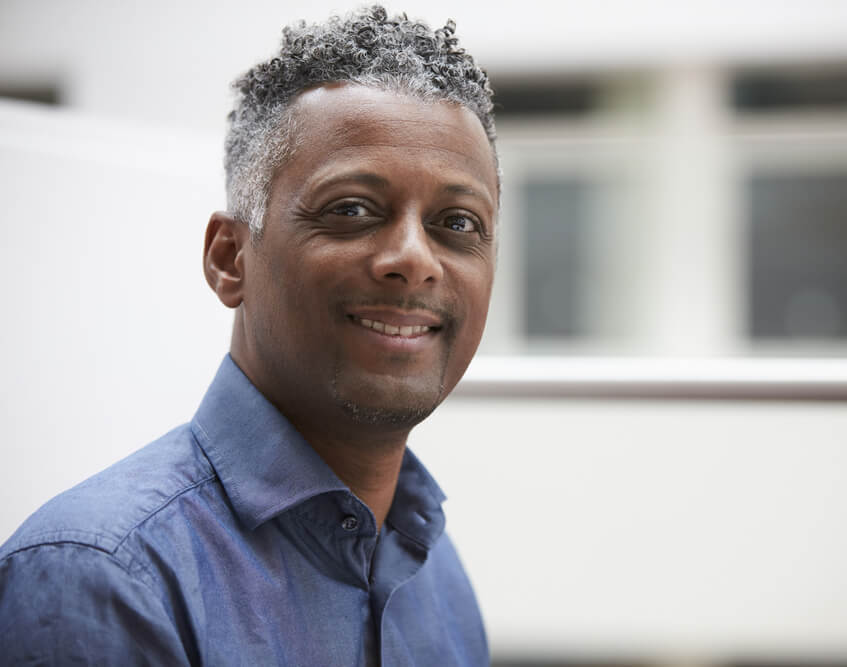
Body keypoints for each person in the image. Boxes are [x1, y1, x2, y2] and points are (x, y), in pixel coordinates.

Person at [0, 6, 497, 665]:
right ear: (230, 258)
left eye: (457, 223)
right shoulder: (103, 576)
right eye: (351, 209)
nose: (415, 257)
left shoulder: (434, 570)